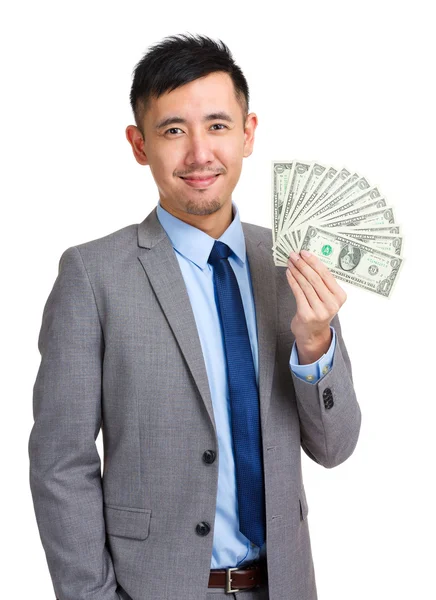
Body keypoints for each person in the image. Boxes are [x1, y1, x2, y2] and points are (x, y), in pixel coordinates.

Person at [28, 33, 361, 600]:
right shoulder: (93, 275)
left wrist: (314, 346)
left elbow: (336, 447)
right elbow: (61, 464)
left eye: (217, 125)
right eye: (174, 130)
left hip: (286, 584)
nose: (200, 154)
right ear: (139, 144)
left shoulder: (292, 263)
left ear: (248, 133)